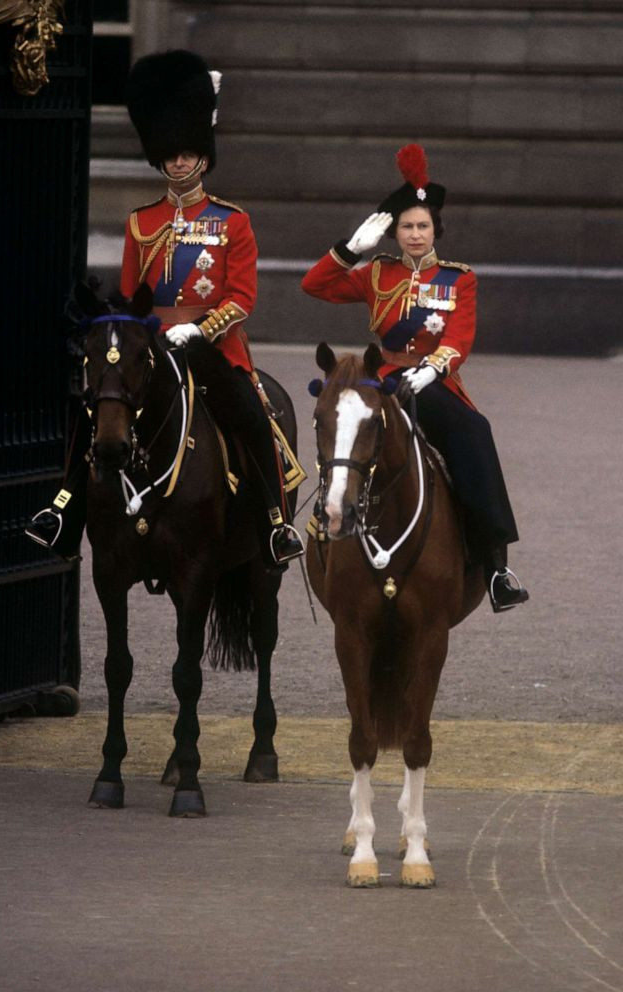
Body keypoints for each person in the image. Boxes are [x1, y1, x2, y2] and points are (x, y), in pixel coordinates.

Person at [27, 49, 304, 569]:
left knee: (250, 415)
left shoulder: (232, 221)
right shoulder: (140, 222)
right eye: (171, 153)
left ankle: (275, 522)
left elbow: (241, 297)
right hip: (151, 346)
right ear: (159, 157)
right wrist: (144, 336)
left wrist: (199, 331)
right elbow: (133, 295)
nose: (179, 161)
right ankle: (62, 511)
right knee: (96, 410)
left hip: (214, 348)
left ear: (204, 154)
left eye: (188, 152)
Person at [301, 143, 528, 612]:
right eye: (406, 226)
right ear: (395, 232)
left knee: (474, 431)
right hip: (381, 378)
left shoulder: (458, 279)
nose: (415, 234)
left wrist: (435, 367)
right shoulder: (377, 274)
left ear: (435, 229)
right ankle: (325, 522)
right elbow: (314, 285)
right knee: (340, 431)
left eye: (423, 225)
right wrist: (349, 250)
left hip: (433, 382)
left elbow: (460, 336)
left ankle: (495, 562)